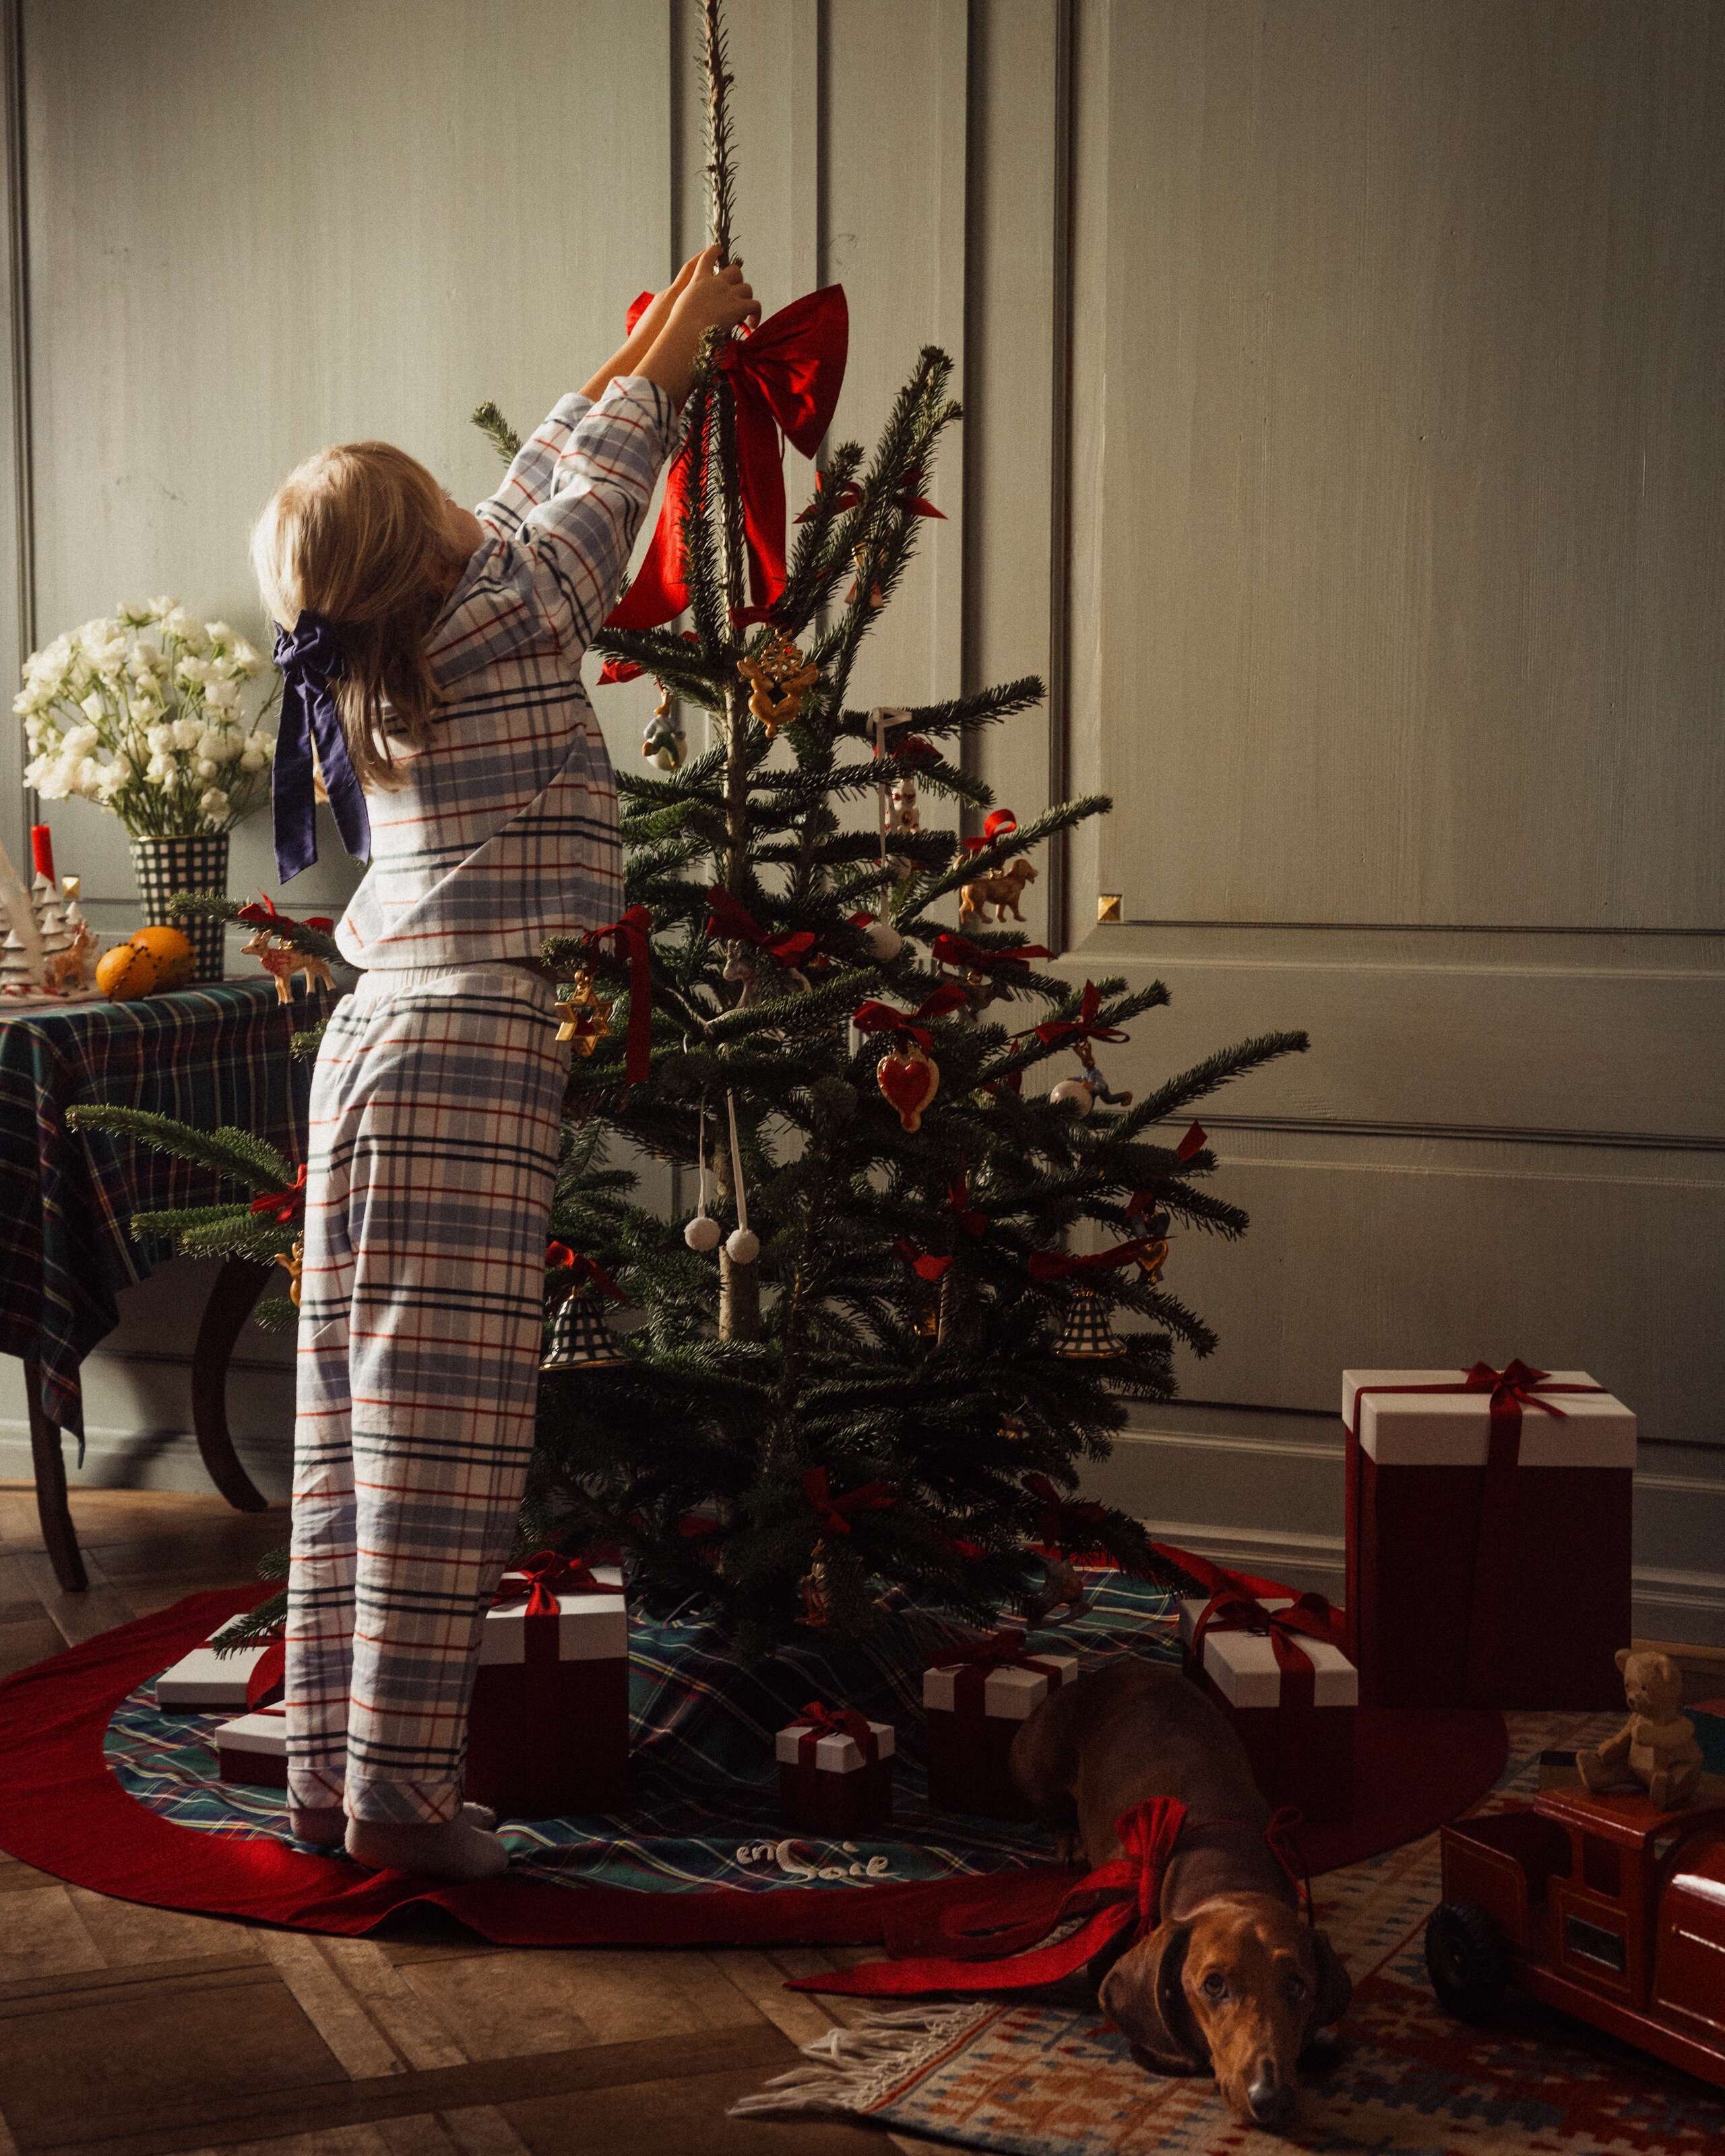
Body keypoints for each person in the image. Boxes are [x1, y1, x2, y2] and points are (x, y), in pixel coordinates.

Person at [250, 247, 755, 1879]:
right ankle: (400, 1810)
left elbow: (536, 499)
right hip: (461, 1055)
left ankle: (333, 1781)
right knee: (444, 1446)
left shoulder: (401, 645)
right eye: (446, 505)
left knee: (351, 1428)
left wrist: (660, 336)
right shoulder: (505, 615)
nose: (482, 510)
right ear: (430, 550)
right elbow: (578, 506)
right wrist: (670, 352)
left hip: (377, 1045)